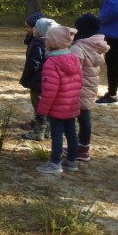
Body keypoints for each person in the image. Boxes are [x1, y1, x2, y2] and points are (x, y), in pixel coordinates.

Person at [34, 26, 82, 175]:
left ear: (52, 43)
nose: (45, 42)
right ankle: (72, 161)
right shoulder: (75, 58)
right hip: (71, 105)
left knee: (57, 134)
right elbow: (80, 82)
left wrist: (42, 109)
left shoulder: (51, 63)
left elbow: (49, 91)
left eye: (47, 39)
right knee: (71, 133)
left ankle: (55, 163)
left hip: (56, 107)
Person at [70, 13, 109, 162]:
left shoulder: (79, 48)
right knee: (85, 117)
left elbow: (72, 70)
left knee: (72, 119)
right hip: (91, 87)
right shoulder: (97, 46)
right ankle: (83, 147)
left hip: (78, 88)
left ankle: (77, 149)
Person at [19, 16, 56, 141]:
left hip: (37, 82)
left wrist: (26, 77)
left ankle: (38, 132)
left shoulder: (38, 43)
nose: (33, 29)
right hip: (48, 81)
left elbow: (33, 64)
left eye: (35, 27)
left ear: (41, 30)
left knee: (39, 107)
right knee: (47, 107)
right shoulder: (53, 43)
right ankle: (47, 132)